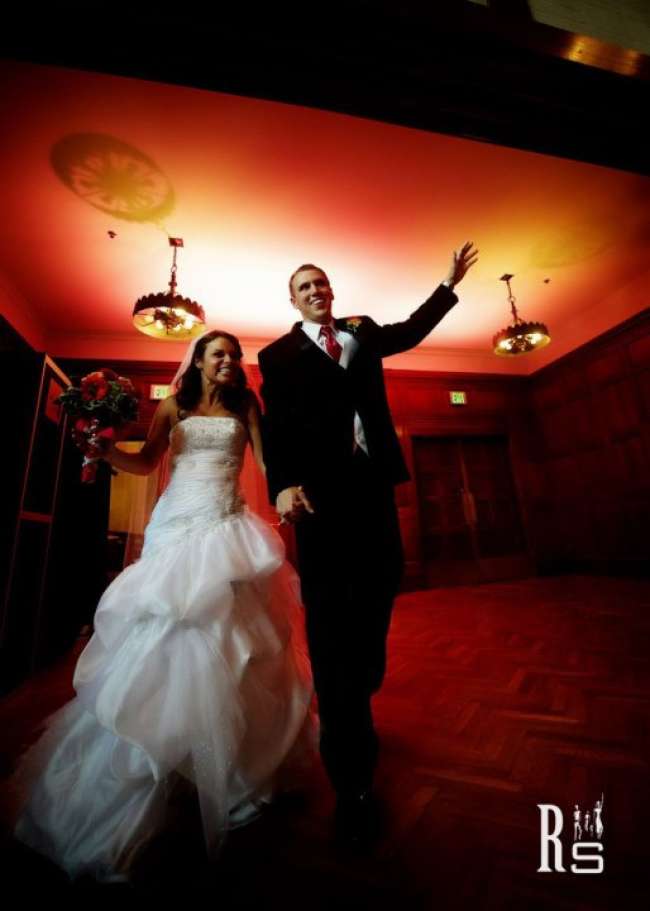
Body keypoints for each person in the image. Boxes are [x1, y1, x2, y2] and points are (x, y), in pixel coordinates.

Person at [13, 330, 313, 882]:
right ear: (198, 360)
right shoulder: (173, 405)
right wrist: (107, 452)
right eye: (218, 353)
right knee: (162, 634)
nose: (229, 360)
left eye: (234, 355)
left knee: (230, 639)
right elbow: (149, 462)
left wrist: (285, 494)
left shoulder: (246, 404)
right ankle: (156, 761)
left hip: (227, 530)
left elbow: (269, 465)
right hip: (175, 529)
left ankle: (223, 762)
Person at [257, 243, 478, 843]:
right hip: (321, 502)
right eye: (305, 287)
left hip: (375, 486)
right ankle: (353, 781)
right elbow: (274, 431)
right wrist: (282, 487)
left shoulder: (362, 332)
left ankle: (368, 662)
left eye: (323, 283)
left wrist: (447, 282)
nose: (317, 292)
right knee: (330, 634)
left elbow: (411, 330)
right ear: (292, 299)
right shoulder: (276, 355)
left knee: (385, 582)